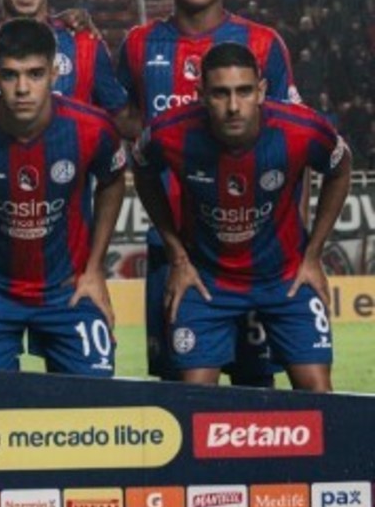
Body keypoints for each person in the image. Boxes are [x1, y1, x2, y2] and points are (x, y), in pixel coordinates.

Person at [117, 0, 298, 386]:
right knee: (181, 392)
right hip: (173, 249)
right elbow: (119, 121)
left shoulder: (263, 44)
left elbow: (293, 145)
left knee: (257, 391)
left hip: (254, 254)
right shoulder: (138, 45)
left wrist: (297, 245)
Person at [132, 42, 350, 391]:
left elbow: (340, 167)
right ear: (201, 95)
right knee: (194, 399)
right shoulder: (169, 132)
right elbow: (141, 167)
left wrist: (313, 255)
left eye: (244, 91)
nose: (233, 106)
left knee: (319, 393)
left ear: (261, 91)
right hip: (206, 281)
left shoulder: (301, 129)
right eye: (220, 93)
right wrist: (177, 256)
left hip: (285, 278)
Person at [0, 18, 126, 375]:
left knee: (94, 398)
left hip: (69, 291)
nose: (22, 88)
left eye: (35, 74)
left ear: (54, 74)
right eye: (10, 75)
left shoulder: (93, 129)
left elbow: (112, 180)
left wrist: (95, 269)